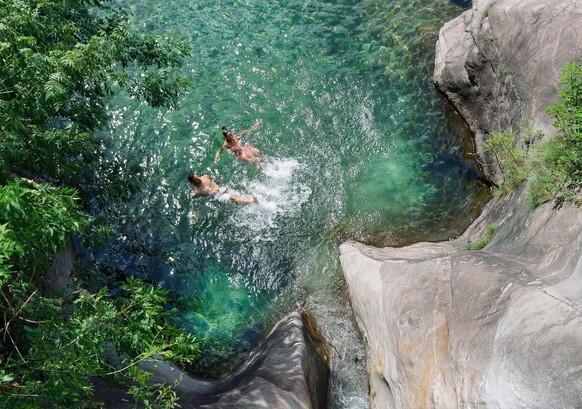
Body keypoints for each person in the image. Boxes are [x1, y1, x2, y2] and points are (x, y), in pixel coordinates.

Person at [188, 172, 258, 205]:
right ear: (193, 182)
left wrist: (219, 184)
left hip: (222, 189)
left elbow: (216, 181)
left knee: (239, 194)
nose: (199, 179)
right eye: (196, 179)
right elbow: (193, 199)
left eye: (198, 177)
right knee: (233, 198)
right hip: (218, 196)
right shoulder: (197, 191)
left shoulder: (205, 176)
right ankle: (252, 202)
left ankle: (249, 202)